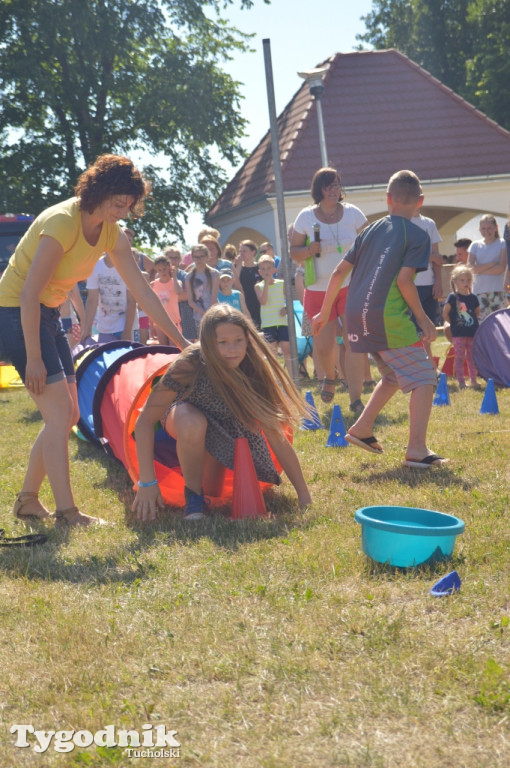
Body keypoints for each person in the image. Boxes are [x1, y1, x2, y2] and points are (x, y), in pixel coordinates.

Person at [0, 154, 188, 527]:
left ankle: (26, 502)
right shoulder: (62, 222)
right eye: (118, 203)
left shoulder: (110, 234)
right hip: (15, 313)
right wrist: (33, 358)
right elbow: (27, 294)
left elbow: (144, 292)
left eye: (128, 206)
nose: (123, 212)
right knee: (58, 416)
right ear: (99, 191)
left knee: (67, 415)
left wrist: (182, 343)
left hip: (49, 314)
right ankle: (67, 513)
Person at [313, 169, 447, 469]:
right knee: (425, 377)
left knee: (391, 376)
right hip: (386, 317)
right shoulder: (418, 235)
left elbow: (337, 272)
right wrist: (424, 319)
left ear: (388, 200)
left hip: (355, 314)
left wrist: (324, 311)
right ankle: (416, 449)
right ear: (420, 202)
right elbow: (404, 281)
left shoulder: (371, 229)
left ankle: (362, 428)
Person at [132, 304, 311, 522]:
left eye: (238, 341)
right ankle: (193, 498)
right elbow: (145, 421)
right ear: (208, 343)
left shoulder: (253, 367)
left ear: (247, 339)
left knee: (214, 493)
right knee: (193, 423)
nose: (232, 350)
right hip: (183, 416)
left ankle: (202, 491)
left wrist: (303, 495)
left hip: (223, 427)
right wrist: (147, 482)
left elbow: (275, 433)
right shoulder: (191, 363)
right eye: (222, 343)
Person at [290, 167, 367, 408]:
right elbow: (294, 254)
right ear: (319, 190)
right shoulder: (305, 216)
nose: (334, 190)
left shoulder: (353, 213)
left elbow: (370, 243)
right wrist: (308, 251)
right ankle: (330, 378)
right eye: (329, 186)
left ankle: (356, 398)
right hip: (318, 290)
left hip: (350, 286)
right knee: (323, 346)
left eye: (337, 185)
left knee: (353, 341)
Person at [409, 210, 443, 366]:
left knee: (427, 332)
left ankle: (428, 368)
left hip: (428, 285)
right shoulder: (400, 222)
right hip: (408, 285)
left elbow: (438, 258)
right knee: (411, 331)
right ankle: (414, 367)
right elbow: (403, 257)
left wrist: (438, 282)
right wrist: (428, 257)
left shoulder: (429, 223)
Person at [81, 252, 137, 342]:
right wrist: (87, 329)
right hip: (104, 328)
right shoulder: (95, 266)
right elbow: (92, 300)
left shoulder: (128, 266)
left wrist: (127, 331)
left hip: (125, 326)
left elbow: (131, 301)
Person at [442, 265, 480, 390]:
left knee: (471, 357)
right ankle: (461, 382)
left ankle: (473, 380)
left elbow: (477, 313)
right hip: (458, 333)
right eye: (462, 280)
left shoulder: (473, 298)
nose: (466, 283)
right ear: (455, 281)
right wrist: (453, 323)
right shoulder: (453, 297)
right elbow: (445, 313)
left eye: (468, 280)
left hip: (472, 332)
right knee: (459, 357)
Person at [255, 254, 291, 373]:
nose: (266, 271)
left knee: (286, 348)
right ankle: (276, 376)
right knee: (272, 351)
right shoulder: (258, 286)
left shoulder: (281, 283)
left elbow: (289, 300)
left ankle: (292, 377)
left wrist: (285, 308)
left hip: (282, 321)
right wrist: (266, 283)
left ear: (274, 270)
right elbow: (263, 301)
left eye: (269, 268)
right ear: (260, 272)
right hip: (268, 323)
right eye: (263, 269)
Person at [468, 214, 507, 321]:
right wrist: (492, 264)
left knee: (500, 322)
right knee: (481, 323)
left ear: (496, 228)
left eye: (489, 228)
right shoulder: (475, 245)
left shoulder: (502, 243)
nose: (486, 231)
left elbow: (501, 268)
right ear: (479, 229)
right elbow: (470, 269)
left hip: (497, 291)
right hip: (479, 291)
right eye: (483, 228)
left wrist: (480, 269)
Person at [185, 243, 219, 335]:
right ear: (192, 257)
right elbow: (191, 301)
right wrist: (203, 314)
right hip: (198, 316)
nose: (198, 260)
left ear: (207, 256)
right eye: (196, 257)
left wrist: (209, 314)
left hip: (214, 314)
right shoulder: (189, 277)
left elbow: (214, 298)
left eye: (201, 256)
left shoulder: (214, 274)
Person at [150, 255, 183, 344]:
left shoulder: (176, 282)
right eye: (159, 270)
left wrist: (174, 276)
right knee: (163, 349)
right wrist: (151, 324)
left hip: (173, 320)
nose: (162, 272)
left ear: (169, 267)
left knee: (173, 348)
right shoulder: (153, 284)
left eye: (164, 269)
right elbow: (151, 305)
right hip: (159, 320)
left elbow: (179, 291)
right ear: (156, 270)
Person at [233, 239, 261, 329]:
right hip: (244, 304)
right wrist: (239, 266)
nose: (241, 254)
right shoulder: (236, 267)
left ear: (253, 252)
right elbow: (234, 282)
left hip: (259, 304)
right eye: (240, 251)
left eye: (244, 251)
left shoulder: (260, 267)